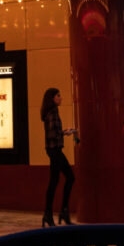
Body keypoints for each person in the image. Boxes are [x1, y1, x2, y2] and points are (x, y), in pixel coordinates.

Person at [40, 87, 77, 226]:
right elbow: (53, 134)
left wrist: (62, 131)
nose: (60, 98)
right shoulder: (53, 112)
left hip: (52, 150)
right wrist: (65, 133)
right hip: (55, 150)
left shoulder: (49, 112)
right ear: (52, 98)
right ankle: (58, 212)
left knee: (56, 181)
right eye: (58, 96)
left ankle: (52, 214)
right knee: (66, 178)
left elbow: (52, 131)